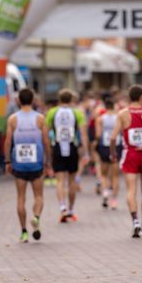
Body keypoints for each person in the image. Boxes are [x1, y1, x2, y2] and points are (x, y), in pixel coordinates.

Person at [110, 85, 142, 238]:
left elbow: (113, 137)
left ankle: (135, 222)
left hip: (130, 154)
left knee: (131, 190)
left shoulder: (122, 114)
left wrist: (113, 153)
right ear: (141, 97)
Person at [4, 88, 50, 242]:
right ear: (33, 100)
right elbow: (45, 141)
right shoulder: (40, 118)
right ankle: (36, 217)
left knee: (20, 198)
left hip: (19, 163)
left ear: (18, 101)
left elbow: (8, 142)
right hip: (36, 162)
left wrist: (7, 161)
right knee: (38, 196)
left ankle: (23, 232)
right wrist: (48, 160)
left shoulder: (13, 119)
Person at [46, 89, 89, 223]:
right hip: (72, 148)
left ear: (59, 99)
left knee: (60, 181)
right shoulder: (77, 112)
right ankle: (71, 210)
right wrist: (85, 151)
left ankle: (62, 208)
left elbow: (46, 133)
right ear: (71, 100)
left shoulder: (52, 112)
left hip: (57, 147)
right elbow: (82, 134)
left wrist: (48, 152)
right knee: (71, 181)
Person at [95, 96, 122, 210]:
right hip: (116, 146)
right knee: (115, 176)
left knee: (104, 174)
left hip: (104, 147)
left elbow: (98, 134)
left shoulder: (100, 119)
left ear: (105, 107)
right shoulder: (119, 118)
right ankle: (114, 201)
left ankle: (105, 192)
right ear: (114, 106)